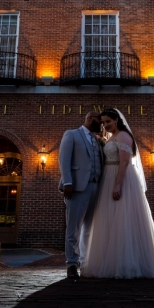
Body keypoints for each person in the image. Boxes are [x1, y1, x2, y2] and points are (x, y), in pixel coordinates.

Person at [81, 108, 154, 279]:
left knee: (122, 218)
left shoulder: (124, 136)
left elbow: (125, 162)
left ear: (117, 120)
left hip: (120, 178)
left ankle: (127, 263)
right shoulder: (110, 137)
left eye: (108, 122)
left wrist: (117, 185)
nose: (105, 125)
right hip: (107, 177)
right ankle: (108, 261)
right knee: (108, 219)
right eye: (103, 122)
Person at [58, 111, 103, 279]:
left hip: (95, 187)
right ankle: (71, 264)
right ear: (91, 119)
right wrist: (68, 183)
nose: (102, 125)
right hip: (76, 188)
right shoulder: (72, 134)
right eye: (100, 121)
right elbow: (64, 159)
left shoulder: (98, 140)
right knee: (73, 229)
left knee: (90, 229)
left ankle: (86, 262)